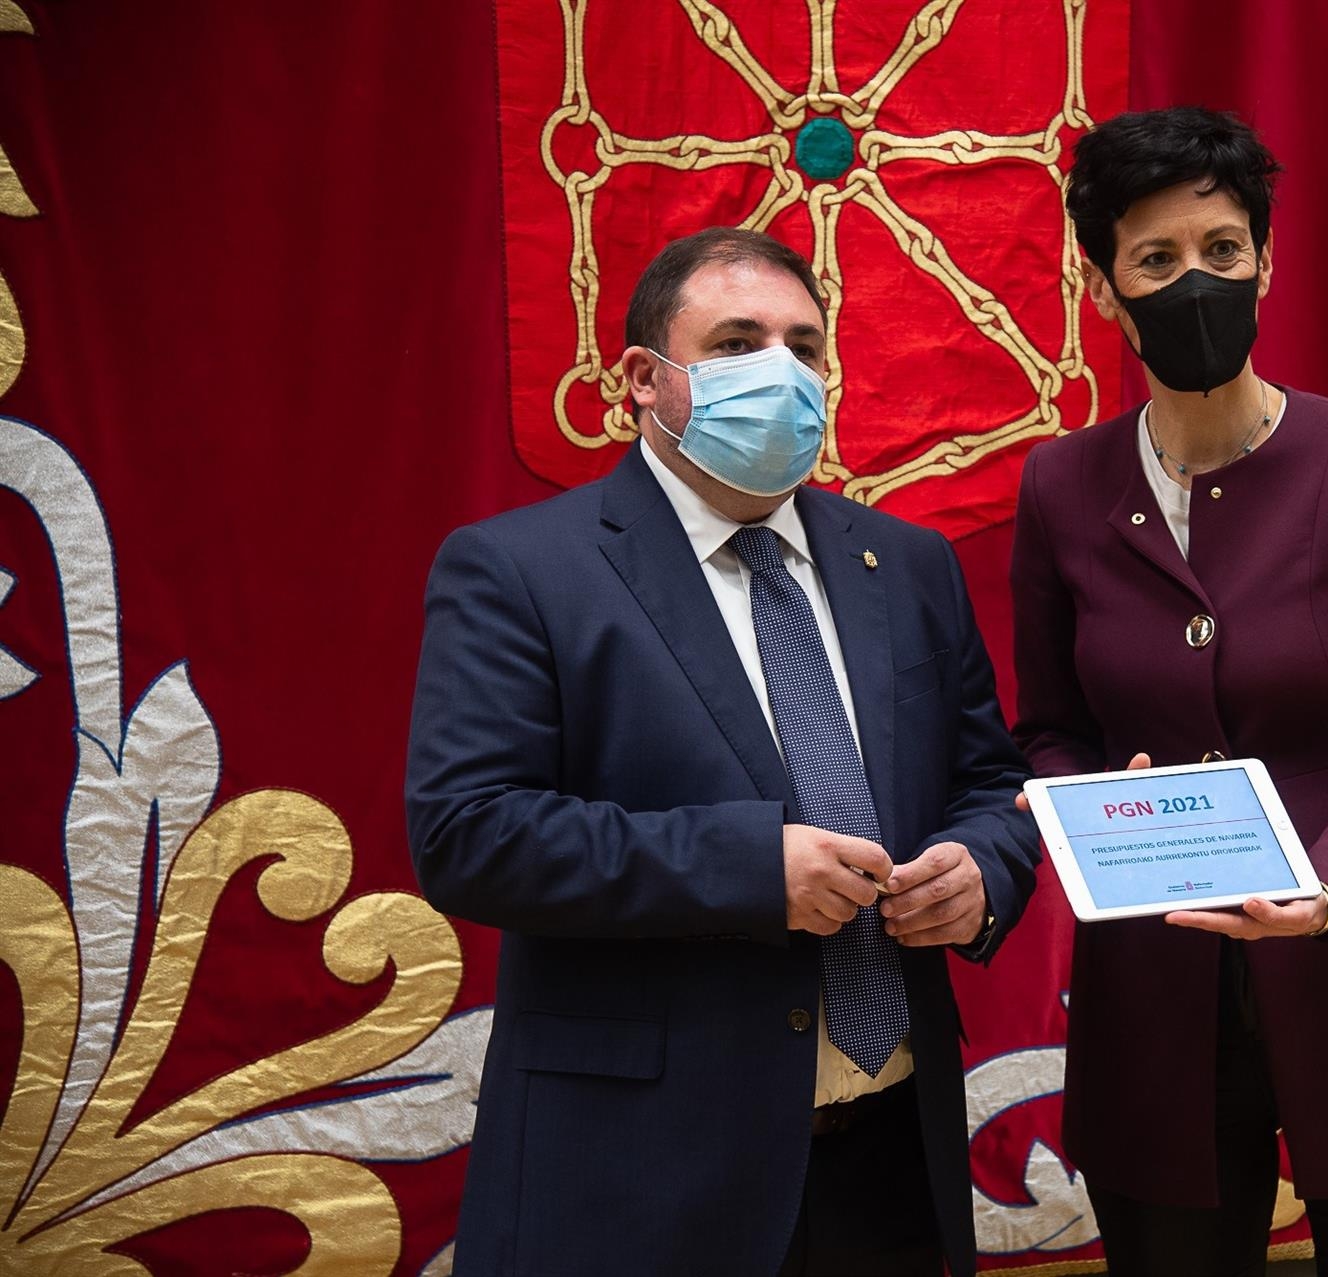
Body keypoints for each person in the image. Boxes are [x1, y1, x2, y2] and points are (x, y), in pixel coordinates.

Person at [406, 227, 1039, 1277]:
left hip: (891, 1163)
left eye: (805, 347)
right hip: (643, 1175)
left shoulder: (909, 564)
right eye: (739, 344)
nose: (781, 374)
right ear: (644, 379)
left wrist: (983, 871)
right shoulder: (520, 570)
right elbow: (469, 834)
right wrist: (748, 868)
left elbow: (989, 782)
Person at [1010, 107, 1328, 1276]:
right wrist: (1087, 804)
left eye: (1222, 249)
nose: (1196, 280)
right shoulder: (1061, 485)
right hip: (1156, 985)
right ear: (1102, 286)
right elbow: (1048, 728)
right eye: (1155, 258)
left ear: (1266, 260)